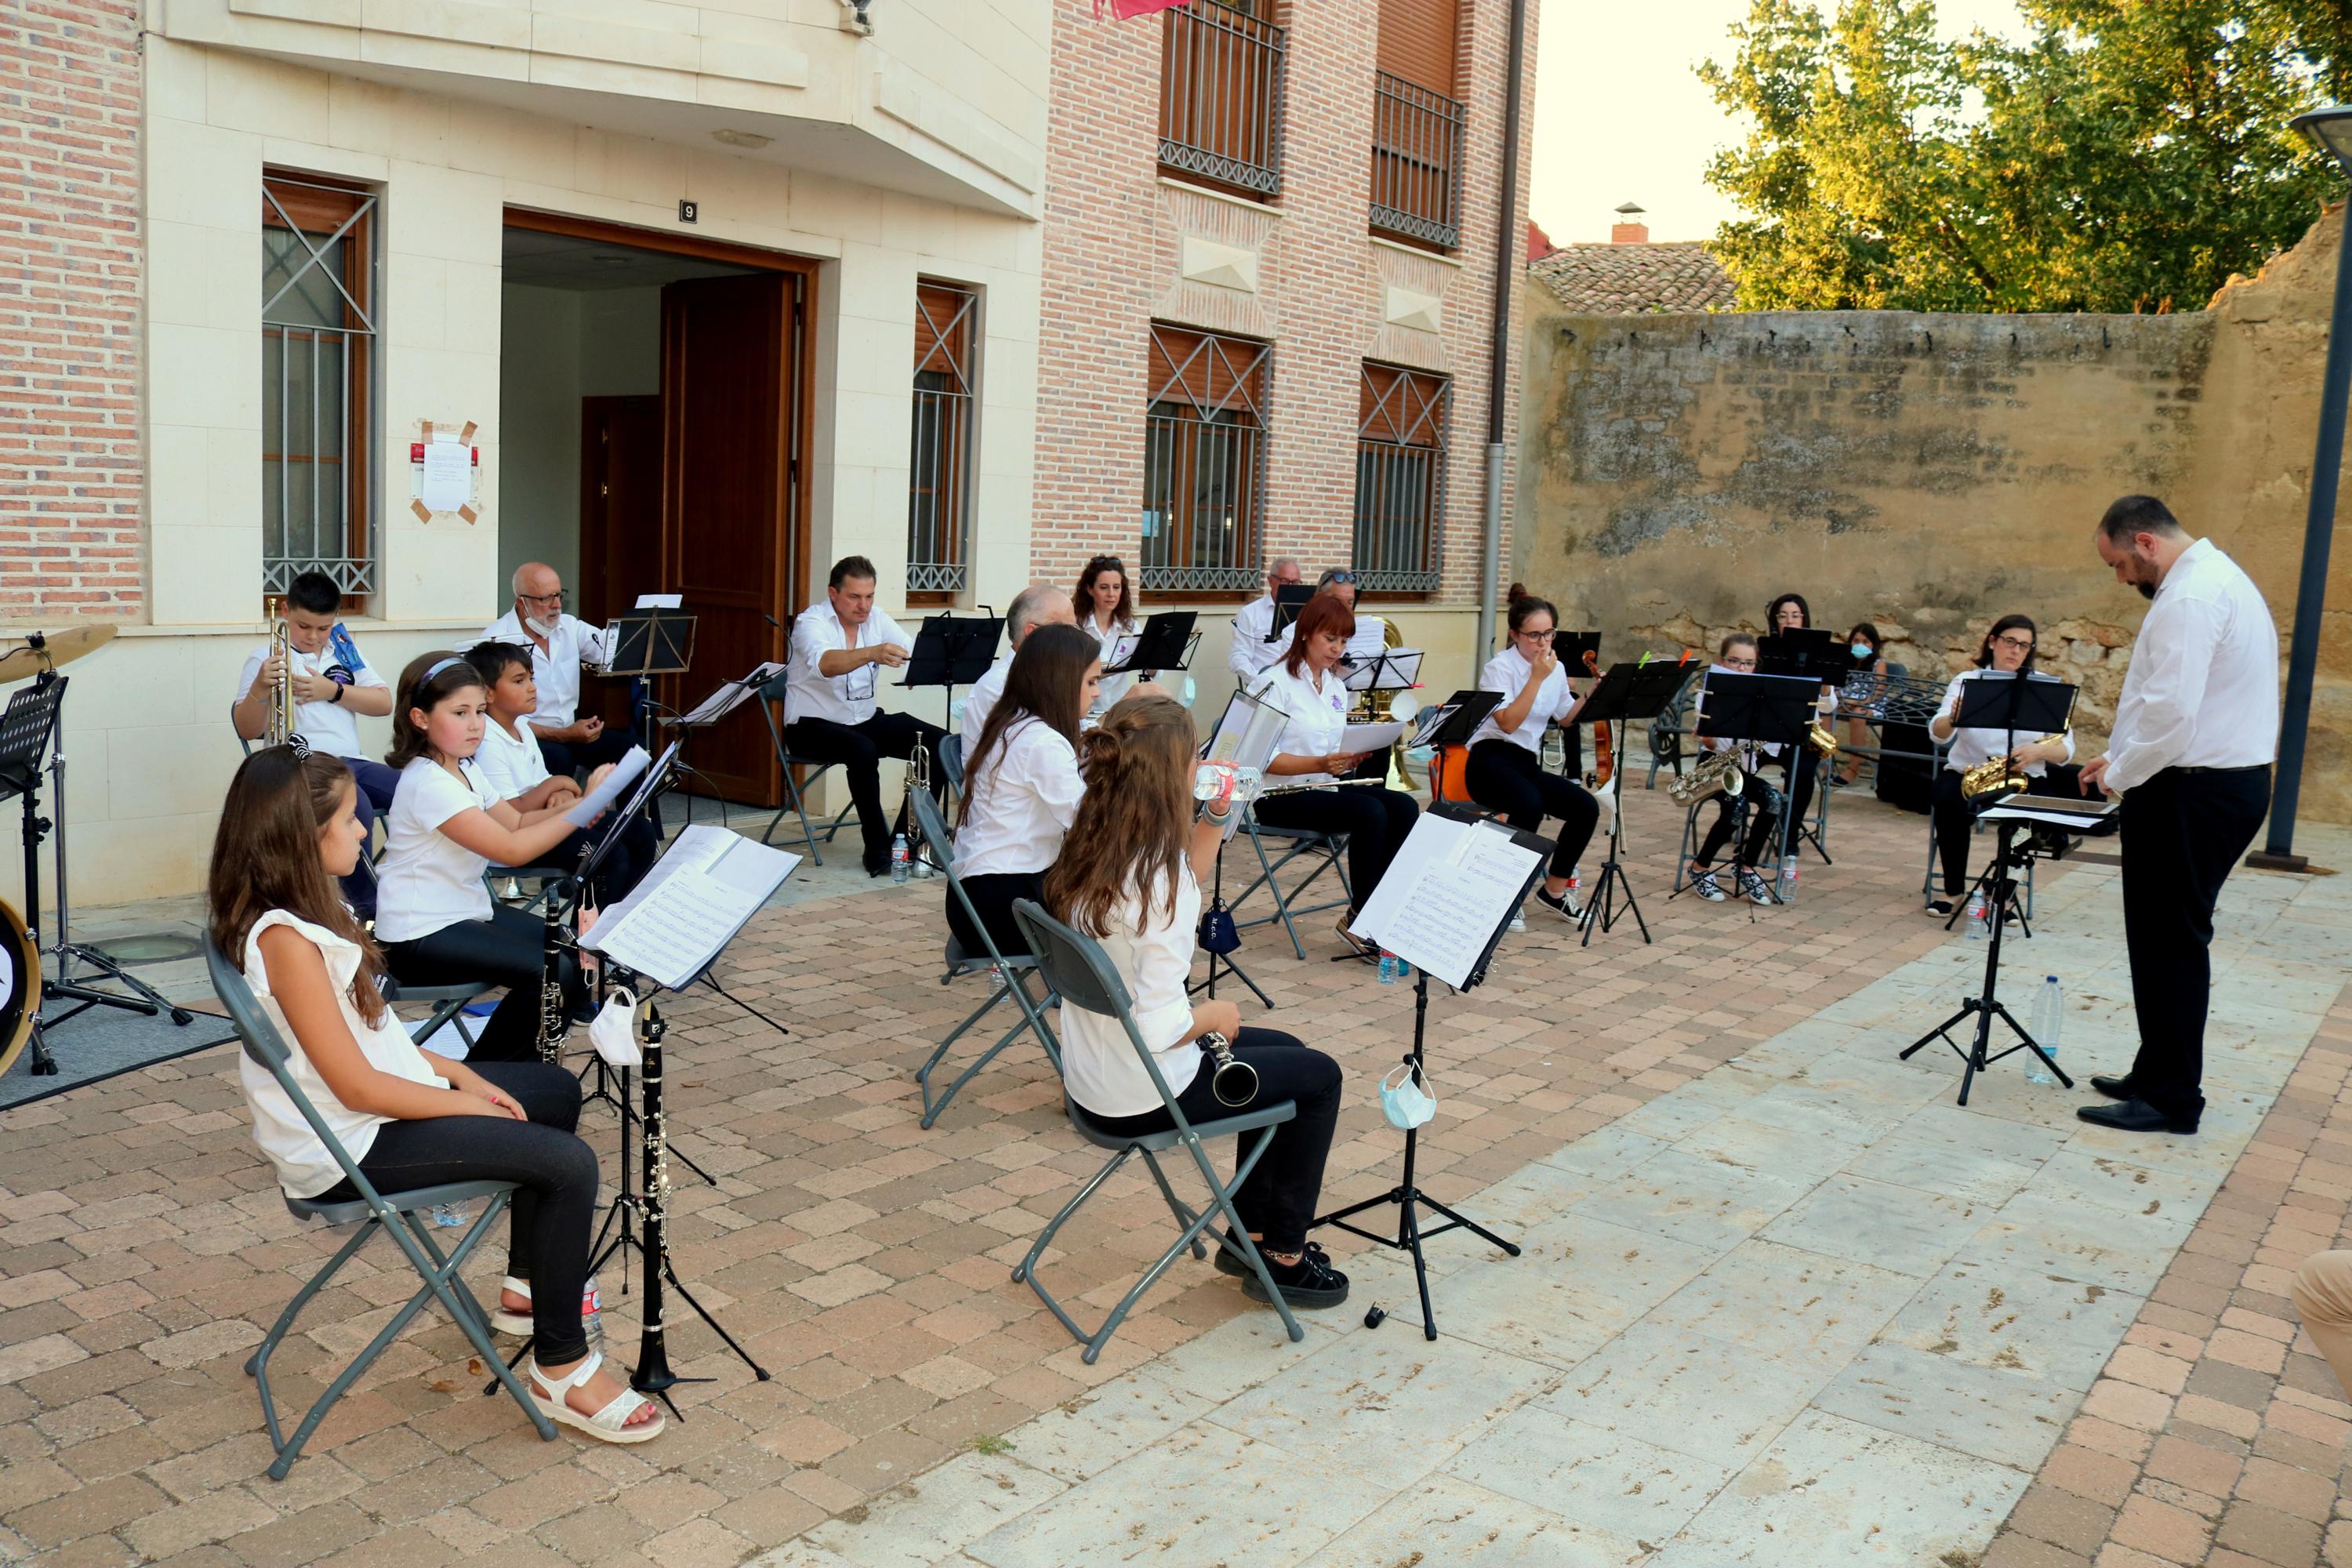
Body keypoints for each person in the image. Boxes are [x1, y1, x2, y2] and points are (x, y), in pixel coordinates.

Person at [209, 745, 661, 1443]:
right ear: (303, 837)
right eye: (351, 823)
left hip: (361, 1110)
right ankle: (561, 1368)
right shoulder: (287, 941)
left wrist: (460, 1073)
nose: (365, 833)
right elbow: (356, 1084)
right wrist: (468, 1107)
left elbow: (363, 1040)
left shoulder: (294, 914)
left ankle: (528, 1291)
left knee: (551, 1093)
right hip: (346, 1145)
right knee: (567, 1163)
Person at [1043, 694, 1348, 1309]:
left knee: (1285, 1052)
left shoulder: (1092, 848)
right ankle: (1283, 1254)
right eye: (1196, 757)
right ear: (1173, 773)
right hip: (1147, 1094)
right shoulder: (1160, 882)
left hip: (1095, 1078)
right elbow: (1163, 1024)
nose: (1203, 764)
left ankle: (1252, 1236)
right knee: (1320, 1078)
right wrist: (1214, 1014)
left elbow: (1178, 886)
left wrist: (1214, 816)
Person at [2076, 495, 2278, 1137]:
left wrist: (2119, 774)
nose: (2121, 579)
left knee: (2170, 943)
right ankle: (2155, 1069)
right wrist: (2118, 753)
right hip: (2209, 783)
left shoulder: (2191, 597)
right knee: (2164, 938)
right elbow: (2172, 701)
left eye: (2119, 564)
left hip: (2194, 790)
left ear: (2145, 543)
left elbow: (2173, 715)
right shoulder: (2214, 578)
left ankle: (2170, 1099)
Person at [373, 653, 598, 1061]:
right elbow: (510, 850)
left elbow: (515, 821)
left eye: (479, 711)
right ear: (420, 718)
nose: (476, 724)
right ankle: (485, 1080)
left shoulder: (465, 768)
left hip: (461, 912)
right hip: (417, 932)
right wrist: (584, 808)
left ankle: (527, 1072)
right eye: (460, 713)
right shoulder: (428, 781)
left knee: (572, 952)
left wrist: (572, 806)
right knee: (554, 971)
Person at [1247, 595, 1421, 954]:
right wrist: (1322, 764)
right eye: (1331, 639)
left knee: (1403, 806)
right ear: (1307, 634)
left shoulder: (1337, 687)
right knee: (1369, 812)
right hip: (1279, 797)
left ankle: (1378, 910)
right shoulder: (1273, 684)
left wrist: (1349, 758)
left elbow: (1330, 749)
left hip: (1323, 788)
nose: (1338, 649)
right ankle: (1362, 918)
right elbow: (1259, 758)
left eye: (1344, 641)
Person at [233, 571, 398, 916]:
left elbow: (384, 704)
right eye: (303, 626)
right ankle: (365, 911)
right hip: (303, 766)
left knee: (417, 789)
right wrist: (260, 689)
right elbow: (248, 729)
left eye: (323, 628)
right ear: (287, 613)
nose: (313, 636)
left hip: (352, 761)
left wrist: (333, 691)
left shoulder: (342, 646)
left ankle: (408, 886)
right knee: (357, 807)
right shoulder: (265, 656)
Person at [781, 556, 949, 877]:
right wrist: (872, 652)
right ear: (833, 593)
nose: (864, 606)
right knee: (862, 749)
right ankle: (877, 849)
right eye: (855, 597)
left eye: (869, 596)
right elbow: (825, 664)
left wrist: (920, 666)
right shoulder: (811, 622)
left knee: (938, 744)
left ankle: (906, 840)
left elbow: (911, 651)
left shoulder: (877, 619)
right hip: (811, 725)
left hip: (863, 720)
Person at [466, 641, 659, 904]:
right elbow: (510, 812)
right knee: (608, 854)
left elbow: (544, 784)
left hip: (546, 821)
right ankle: (587, 936)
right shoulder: (488, 742)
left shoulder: (521, 726)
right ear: (488, 694)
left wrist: (564, 792)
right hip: (516, 839)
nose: (532, 687)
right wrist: (560, 782)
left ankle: (618, 918)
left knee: (639, 831)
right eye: (519, 681)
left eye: (531, 678)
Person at [949, 625, 1098, 956]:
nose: (1097, 692)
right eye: (1091, 682)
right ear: (1061, 681)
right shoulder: (1041, 742)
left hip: (977, 899)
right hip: (1002, 907)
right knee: (1123, 919)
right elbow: (1089, 825)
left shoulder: (1014, 722)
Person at [1925, 615, 2079, 916]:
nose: (2016, 651)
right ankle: (1953, 890)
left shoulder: (2043, 689)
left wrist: (2038, 751)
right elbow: (1937, 734)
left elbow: (2067, 749)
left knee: (2028, 818)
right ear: (1993, 642)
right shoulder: (1967, 681)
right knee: (1946, 800)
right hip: (1968, 774)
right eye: (2010, 642)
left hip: (2024, 775)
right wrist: (1953, 719)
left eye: (2024, 645)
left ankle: (2001, 894)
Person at [1467, 591, 1599, 924]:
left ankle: (1553, 891)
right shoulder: (1499, 669)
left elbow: (1566, 717)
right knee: (1529, 804)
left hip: (1525, 763)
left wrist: (1591, 694)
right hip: (1489, 760)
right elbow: (1508, 723)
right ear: (1515, 635)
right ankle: (1502, 896)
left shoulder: (1556, 669)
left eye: (1549, 633)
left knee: (1585, 808)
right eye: (1535, 635)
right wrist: (1537, 677)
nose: (1543, 642)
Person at [477, 563, 635, 778]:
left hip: (571, 732)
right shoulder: (497, 640)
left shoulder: (568, 626)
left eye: (559, 595)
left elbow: (611, 650)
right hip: (525, 736)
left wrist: (648, 623)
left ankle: (638, 813)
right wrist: (564, 734)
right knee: (559, 757)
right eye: (546, 599)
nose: (557, 605)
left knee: (631, 750)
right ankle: (566, 811)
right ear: (522, 603)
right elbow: (491, 712)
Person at [1685, 633, 1784, 906]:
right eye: (1735, 661)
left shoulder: (1763, 696)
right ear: (1721, 661)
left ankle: (1747, 867)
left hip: (1743, 768)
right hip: (1713, 763)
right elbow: (1712, 742)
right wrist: (1707, 736)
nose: (1742, 669)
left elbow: (1768, 749)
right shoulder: (1710, 692)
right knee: (1737, 808)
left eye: (1749, 663)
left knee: (1774, 801)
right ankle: (1700, 868)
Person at [963, 583, 1077, 747]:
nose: (1074, 640)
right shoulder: (1001, 684)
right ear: (1032, 632)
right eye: (1066, 630)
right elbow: (1038, 748)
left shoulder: (1044, 673)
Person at [1762, 591, 1833, 831]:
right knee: (1739, 768)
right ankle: (1738, 821)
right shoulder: (1763, 652)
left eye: (1795, 615)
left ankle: (1789, 833)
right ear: (1775, 622)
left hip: (1801, 736)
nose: (1789, 621)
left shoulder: (1818, 655)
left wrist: (1825, 682)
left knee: (1803, 774)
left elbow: (1829, 707)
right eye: (1783, 616)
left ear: (1804, 620)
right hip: (1764, 735)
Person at [1074, 555, 1145, 717]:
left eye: (1117, 587)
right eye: (1104, 587)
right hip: (1083, 714)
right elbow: (1073, 674)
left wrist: (1153, 659)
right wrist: (1116, 668)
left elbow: (1150, 673)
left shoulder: (1131, 626)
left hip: (1118, 712)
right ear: (1090, 589)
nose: (1111, 594)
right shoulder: (1076, 626)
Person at [1226, 556, 1303, 682]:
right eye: (1284, 581)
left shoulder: (1306, 612)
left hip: (1300, 682)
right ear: (1270, 581)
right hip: (1267, 682)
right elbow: (1238, 656)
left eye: (1295, 582)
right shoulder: (1250, 613)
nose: (1290, 587)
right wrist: (1258, 680)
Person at [1833, 622, 1889, 786]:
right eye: (1856, 641)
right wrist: (1843, 701)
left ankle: (1853, 769)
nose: (1860, 645)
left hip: (1870, 703)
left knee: (1858, 714)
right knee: (1826, 711)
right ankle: (1825, 765)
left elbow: (1878, 693)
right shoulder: (1845, 662)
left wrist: (1857, 702)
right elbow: (1837, 686)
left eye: (1865, 642)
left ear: (1873, 644)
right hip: (1845, 700)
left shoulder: (1879, 663)